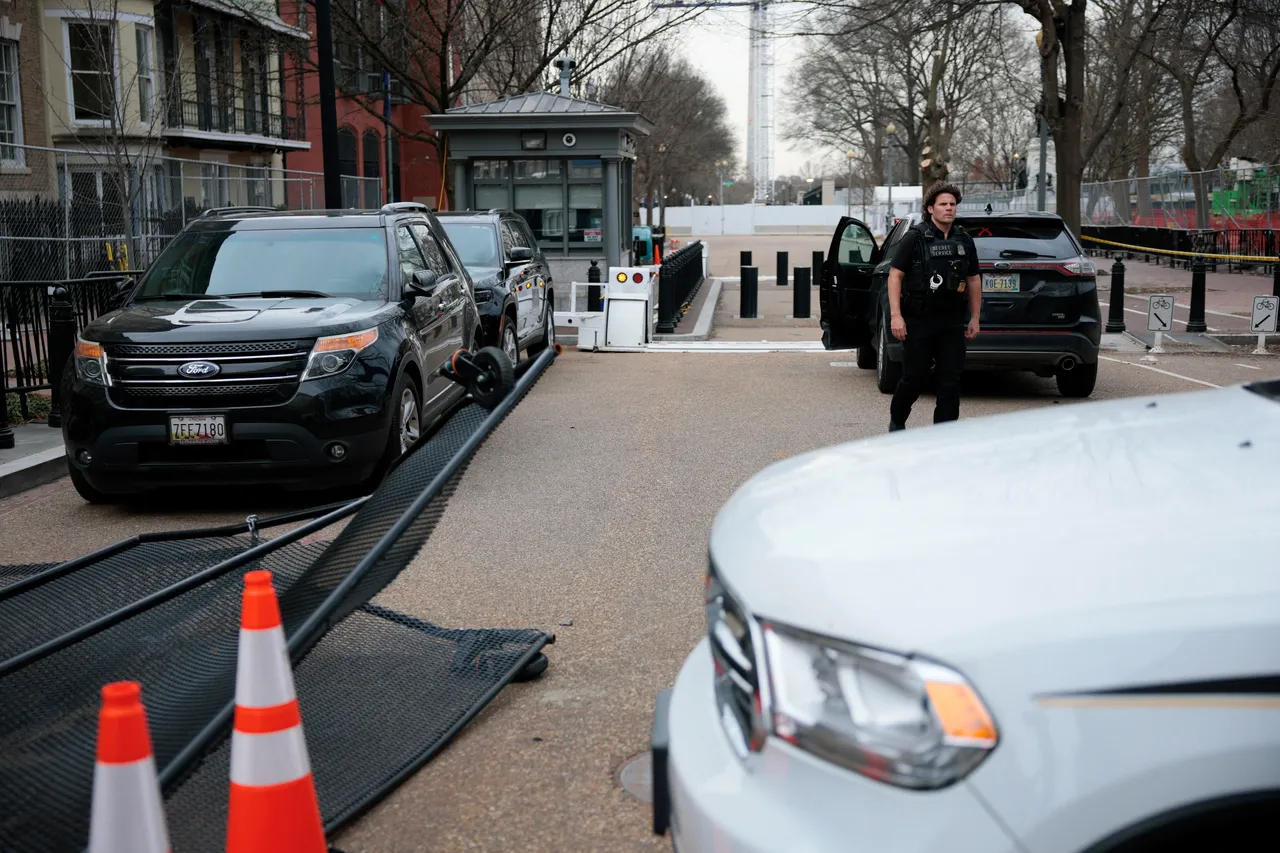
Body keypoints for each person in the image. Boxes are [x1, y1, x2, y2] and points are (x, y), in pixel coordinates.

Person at [886, 181, 981, 431]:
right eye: (943, 204)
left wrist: (975, 318)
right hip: (919, 321)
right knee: (914, 378)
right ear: (930, 209)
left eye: (952, 204)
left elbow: (973, 278)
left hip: (951, 322)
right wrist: (897, 317)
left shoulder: (964, 240)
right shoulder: (914, 238)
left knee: (950, 382)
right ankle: (897, 422)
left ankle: (943, 436)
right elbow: (895, 275)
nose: (949, 209)